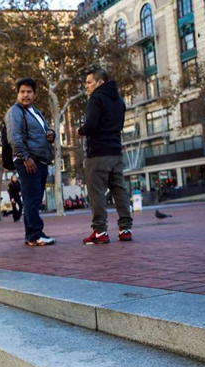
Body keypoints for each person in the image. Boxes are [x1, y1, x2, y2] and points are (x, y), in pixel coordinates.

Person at [77, 68, 133, 244]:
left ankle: (100, 232)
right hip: (116, 152)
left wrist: (81, 130)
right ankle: (125, 229)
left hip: (98, 154)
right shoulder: (119, 101)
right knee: (119, 191)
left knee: (97, 194)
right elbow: (120, 125)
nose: (86, 86)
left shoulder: (96, 99)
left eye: (89, 82)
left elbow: (91, 124)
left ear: (100, 82)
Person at [4, 77, 56, 246]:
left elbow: (42, 132)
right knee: (31, 199)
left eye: (29, 92)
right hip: (29, 161)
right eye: (22, 92)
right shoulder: (15, 111)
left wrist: (51, 134)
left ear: (34, 94)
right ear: (17, 94)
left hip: (40, 160)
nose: (25, 95)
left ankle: (32, 235)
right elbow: (15, 137)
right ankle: (35, 234)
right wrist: (25, 158)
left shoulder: (35, 112)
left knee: (34, 198)